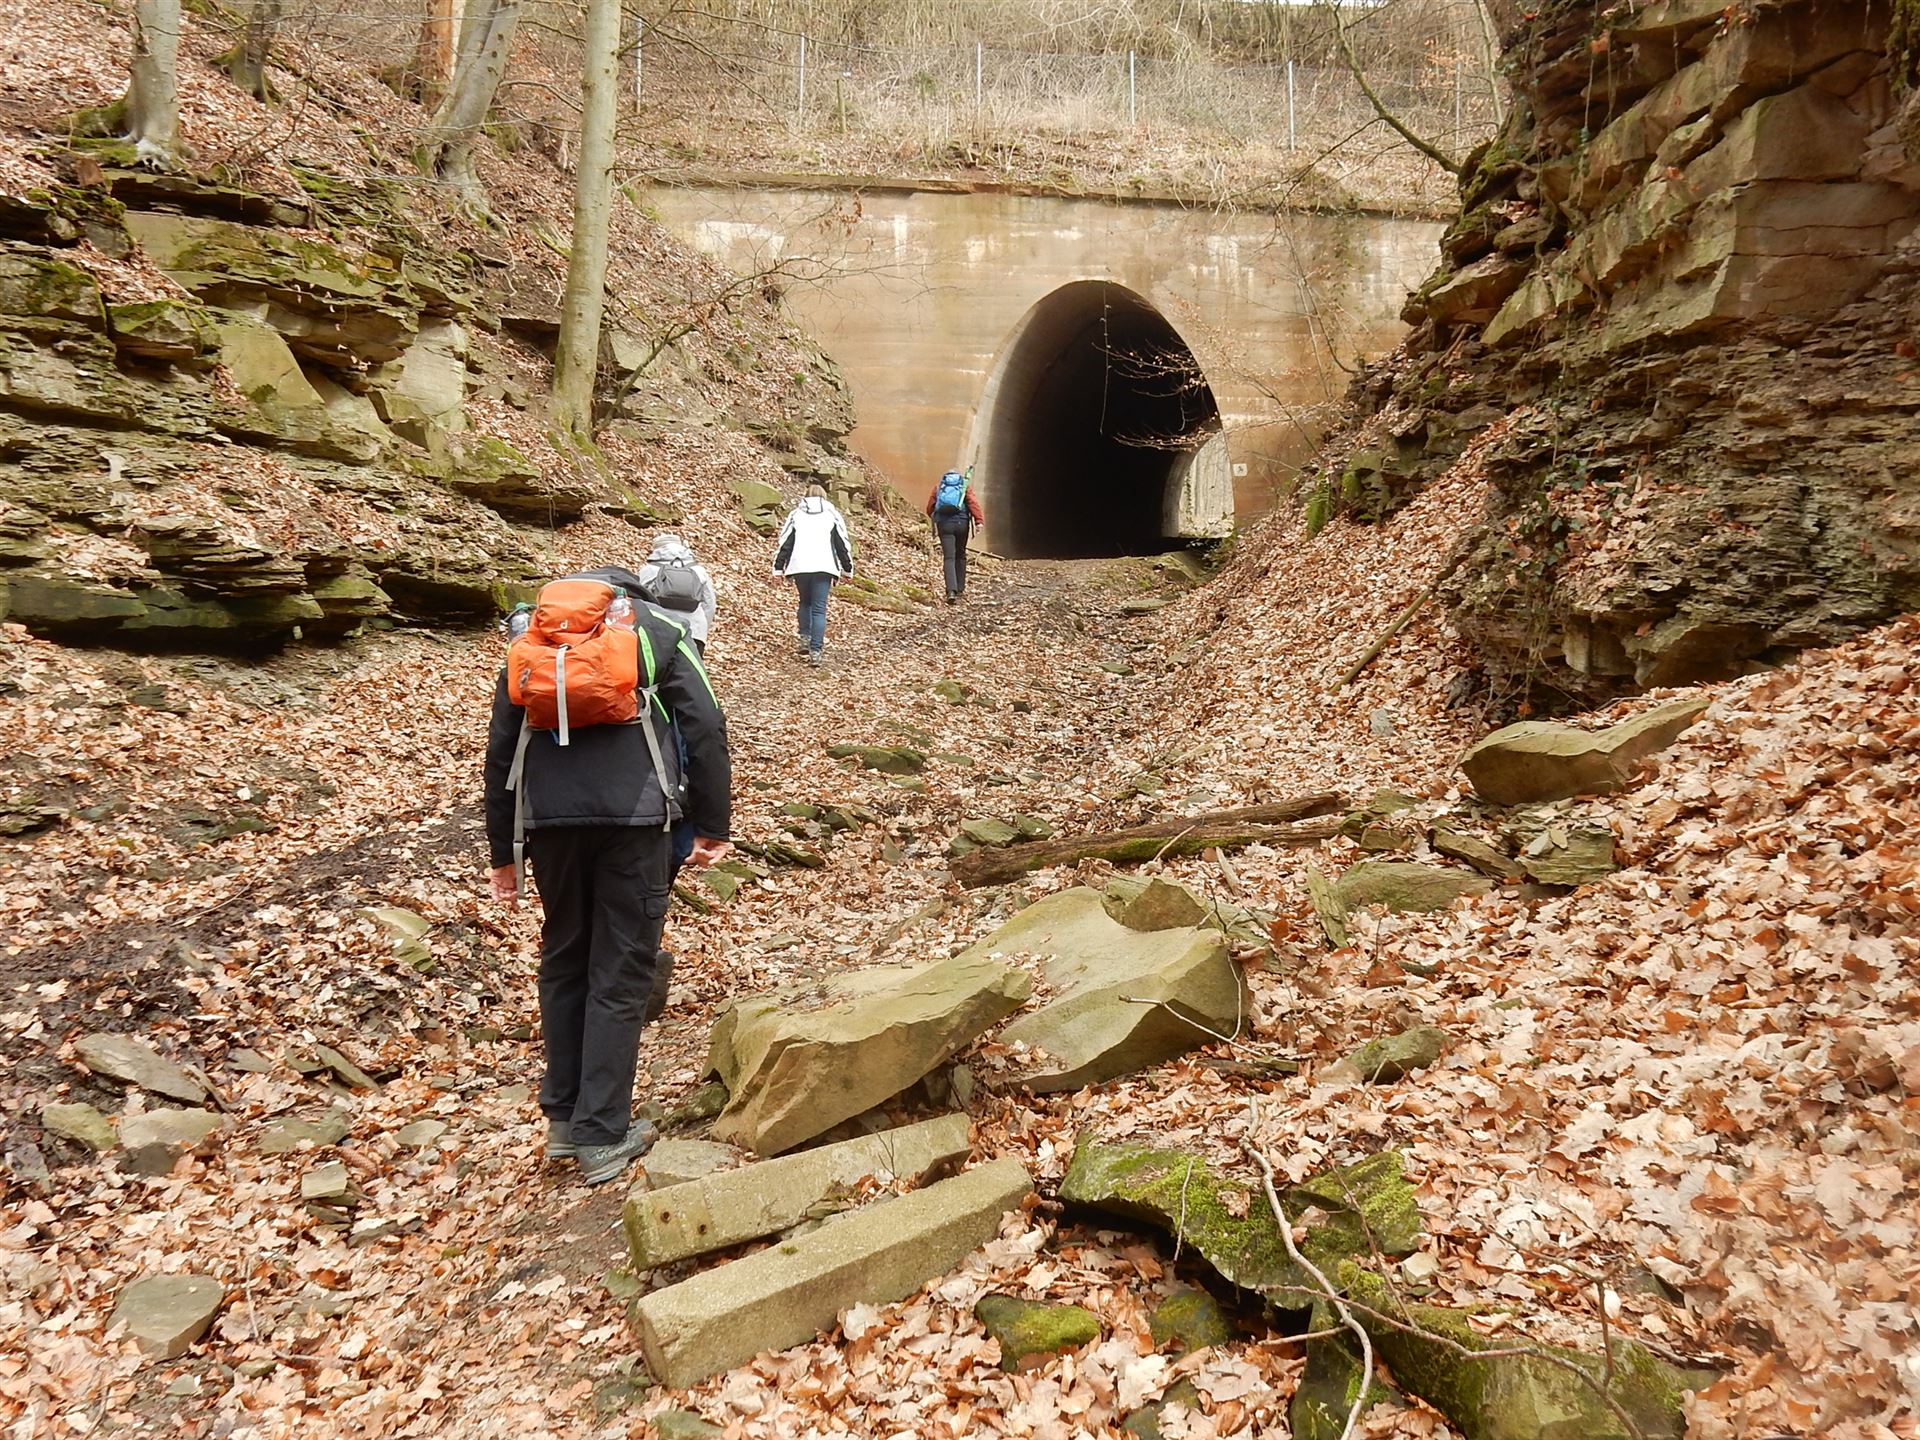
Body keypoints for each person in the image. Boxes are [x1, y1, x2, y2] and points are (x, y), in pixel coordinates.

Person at [485, 574, 731, 1185]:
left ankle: (564, 1120)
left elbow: (502, 748)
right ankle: (601, 1133)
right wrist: (712, 822)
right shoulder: (658, 630)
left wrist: (503, 852)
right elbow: (704, 725)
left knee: (565, 957)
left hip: (548, 824)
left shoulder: (533, 635)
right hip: (634, 822)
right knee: (620, 969)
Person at [771, 483, 853, 667]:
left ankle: (804, 639)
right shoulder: (832, 515)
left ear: (806, 496)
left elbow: (785, 543)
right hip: (824, 567)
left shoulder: (796, 515)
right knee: (819, 609)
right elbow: (842, 544)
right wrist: (847, 569)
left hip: (800, 566)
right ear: (824, 496)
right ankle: (815, 651)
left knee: (804, 602)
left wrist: (778, 569)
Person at [635, 535, 718, 657]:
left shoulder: (648, 570)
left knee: (660, 669)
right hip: (694, 631)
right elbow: (709, 604)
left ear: (656, 549)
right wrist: (702, 630)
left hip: (658, 632)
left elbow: (639, 601)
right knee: (690, 669)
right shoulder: (698, 570)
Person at [925, 467, 984, 602]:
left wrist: (937, 518)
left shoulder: (939, 487)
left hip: (945, 525)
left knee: (949, 558)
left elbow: (930, 508)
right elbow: (973, 503)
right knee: (961, 555)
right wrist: (979, 521)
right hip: (961, 524)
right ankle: (960, 589)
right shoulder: (964, 486)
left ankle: (951, 591)